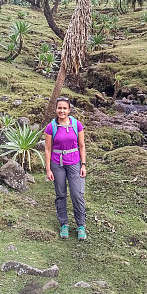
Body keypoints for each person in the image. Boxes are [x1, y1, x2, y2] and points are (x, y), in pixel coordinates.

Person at [44, 97, 87, 240]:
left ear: (69, 110)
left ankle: (80, 225)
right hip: (57, 164)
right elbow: (48, 149)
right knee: (61, 194)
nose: (61, 111)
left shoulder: (77, 124)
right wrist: (48, 169)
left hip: (74, 163)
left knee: (77, 194)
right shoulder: (51, 127)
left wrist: (83, 165)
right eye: (59, 108)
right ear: (56, 109)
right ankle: (64, 224)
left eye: (64, 108)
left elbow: (81, 146)